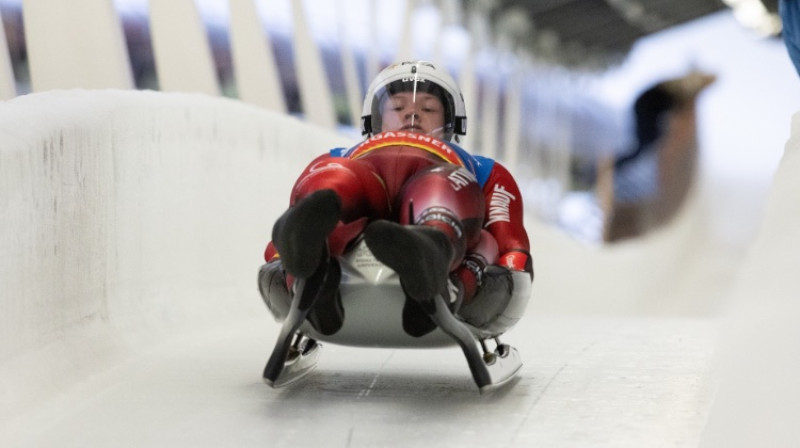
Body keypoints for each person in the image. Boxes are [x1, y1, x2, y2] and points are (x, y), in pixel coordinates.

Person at [262, 60, 532, 337]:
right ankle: (322, 264)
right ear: (376, 119)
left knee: (440, 187)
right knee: (337, 183)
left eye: (428, 109)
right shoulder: (340, 157)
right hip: (367, 170)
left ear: (450, 122)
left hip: (437, 169)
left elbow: (510, 242)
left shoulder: (485, 170)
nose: (412, 117)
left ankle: (430, 256)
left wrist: (504, 265)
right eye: (397, 108)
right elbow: (517, 252)